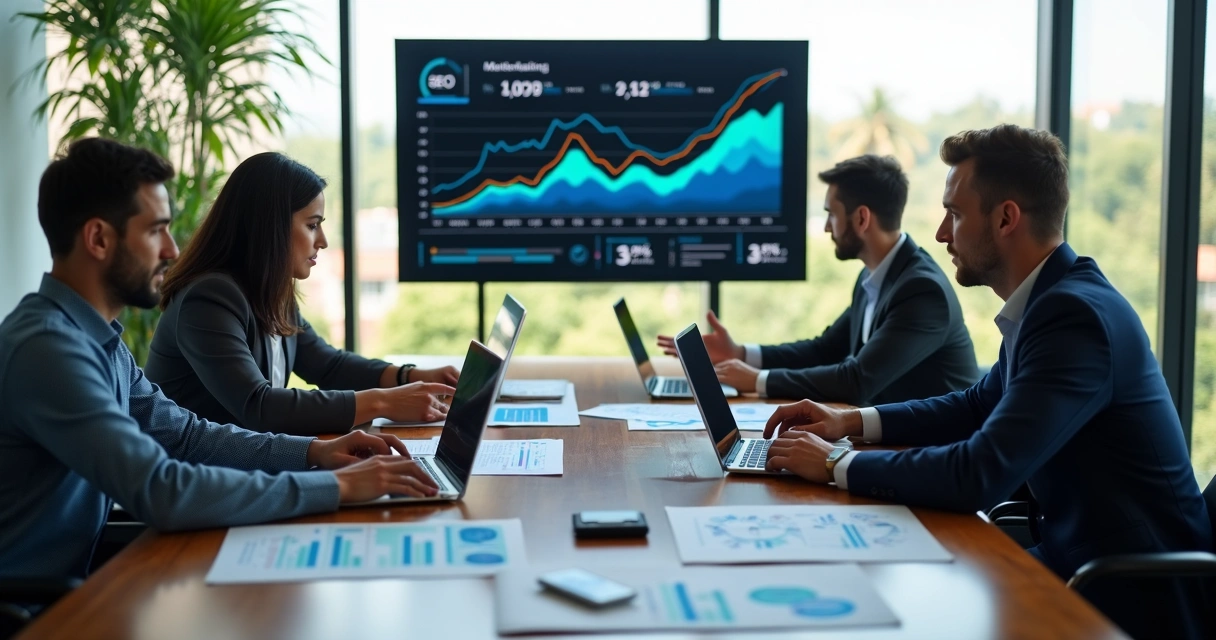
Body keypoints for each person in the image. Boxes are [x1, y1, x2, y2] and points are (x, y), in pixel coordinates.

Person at [762, 125, 1214, 639]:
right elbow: (978, 404)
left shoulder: (1074, 317)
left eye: (954, 213)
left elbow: (981, 471)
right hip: (1076, 565)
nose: (940, 233)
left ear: (1006, 218)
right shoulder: (1049, 301)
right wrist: (851, 421)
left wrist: (835, 461)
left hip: (1134, 599)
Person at [0, 138, 439, 581]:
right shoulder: (48, 350)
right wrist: (338, 485)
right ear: (98, 238)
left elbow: (189, 438)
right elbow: (162, 489)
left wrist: (315, 453)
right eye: (155, 231)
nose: (171, 250)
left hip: (73, 587)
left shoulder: (98, 341)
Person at [145, 152, 457, 436]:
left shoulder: (270, 290)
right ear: (271, 227)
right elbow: (259, 406)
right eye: (312, 225)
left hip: (243, 472)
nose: (322, 240)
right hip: (197, 484)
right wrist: (384, 403)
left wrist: (412, 376)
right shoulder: (210, 298)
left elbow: (327, 366)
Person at [658, 154, 978, 405]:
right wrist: (741, 353)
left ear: (862, 218)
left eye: (832, 214)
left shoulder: (921, 290)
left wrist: (757, 380)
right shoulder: (876, 277)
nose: (827, 227)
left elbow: (857, 380)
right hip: (891, 445)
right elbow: (824, 350)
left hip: (928, 458)